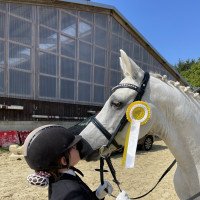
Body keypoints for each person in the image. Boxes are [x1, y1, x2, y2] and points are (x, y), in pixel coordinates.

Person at [23, 125, 113, 200]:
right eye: (73, 147)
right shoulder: (71, 192)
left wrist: (97, 196)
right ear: (64, 160)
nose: (78, 147)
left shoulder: (60, 178)